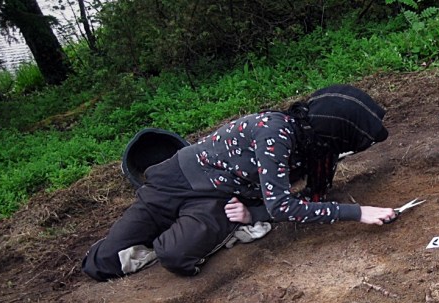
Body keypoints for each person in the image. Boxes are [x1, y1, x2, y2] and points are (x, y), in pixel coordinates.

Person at [82, 85, 396, 281]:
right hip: (174, 180)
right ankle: (163, 232)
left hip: (219, 201)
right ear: (334, 130)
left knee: (175, 257)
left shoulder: (318, 147)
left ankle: (190, 233)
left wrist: (253, 214)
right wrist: (357, 212)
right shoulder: (275, 132)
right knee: (100, 265)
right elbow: (282, 206)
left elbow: (310, 198)